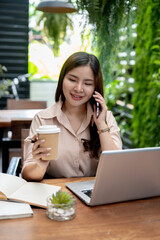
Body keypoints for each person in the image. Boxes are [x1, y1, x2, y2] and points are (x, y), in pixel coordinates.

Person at [22, 51, 122, 181]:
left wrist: (101, 125)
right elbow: (27, 174)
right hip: (57, 195)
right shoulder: (43, 119)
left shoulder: (105, 118)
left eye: (87, 83)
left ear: (95, 88)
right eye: (72, 80)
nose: (78, 88)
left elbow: (116, 167)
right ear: (62, 79)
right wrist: (40, 166)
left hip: (95, 193)